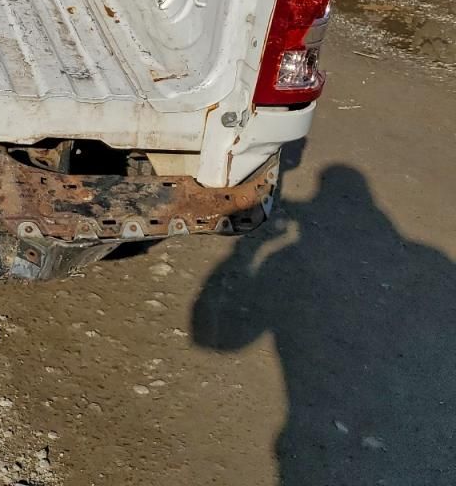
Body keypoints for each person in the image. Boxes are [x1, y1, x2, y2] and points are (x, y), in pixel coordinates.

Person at [193, 164, 456, 484]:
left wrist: (245, 252)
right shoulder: (429, 263)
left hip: (317, 446)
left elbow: (221, 339)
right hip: (410, 439)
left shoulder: (286, 264)